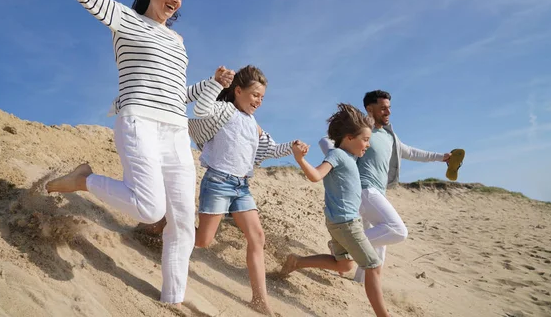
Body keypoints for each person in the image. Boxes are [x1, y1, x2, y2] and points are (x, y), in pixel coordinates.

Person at [4, 0, 235, 305]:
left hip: (175, 133)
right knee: (149, 207)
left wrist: (214, 84)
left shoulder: (178, 40)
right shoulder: (125, 20)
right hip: (138, 122)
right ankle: (83, 180)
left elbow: (177, 93)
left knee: (182, 224)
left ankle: (171, 300)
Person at [188, 65, 306, 315]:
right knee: (202, 240)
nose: (259, 101)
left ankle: (260, 300)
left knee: (257, 237)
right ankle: (164, 224)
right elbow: (201, 110)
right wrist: (217, 84)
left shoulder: (254, 124)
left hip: (241, 186)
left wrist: (292, 148)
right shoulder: (224, 110)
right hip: (218, 181)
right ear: (238, 90)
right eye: (255, 95)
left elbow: (270, 149)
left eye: (262, 97)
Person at [319, 90, 451, 284]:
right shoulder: (362, 131)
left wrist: (441, 157)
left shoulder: (390, 137)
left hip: (377, 192)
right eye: (383, 108)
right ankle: (346, 245)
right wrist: (340, 161)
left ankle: (360, 284)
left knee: (378, 251)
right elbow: (326, 140)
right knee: (397, 230)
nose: (387, 112)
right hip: (363, 190)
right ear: (369, 109)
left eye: (389, 108)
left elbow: (412, 152)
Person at [280, 104, 390, 317]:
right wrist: (300, 159)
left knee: (344, 265)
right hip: (346, 223)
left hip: (343, 222)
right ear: (349, 138)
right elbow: (316, 176)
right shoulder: (337, 155)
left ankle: (297, 262)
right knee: (374, 266)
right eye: (365, 140)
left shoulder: (350, 157)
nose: (368, 145)